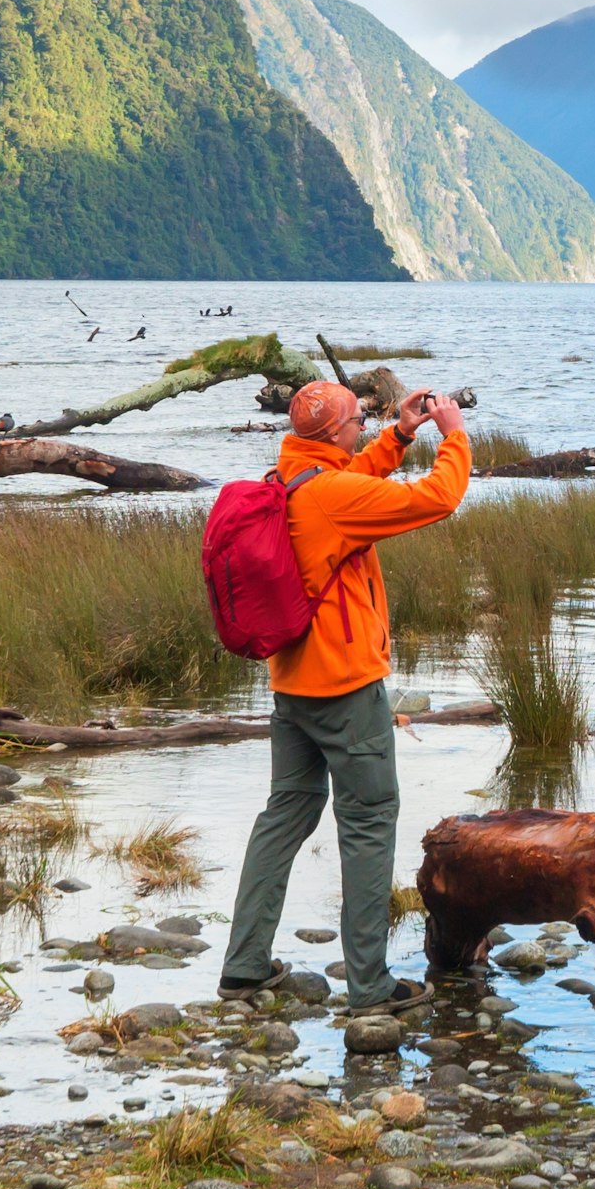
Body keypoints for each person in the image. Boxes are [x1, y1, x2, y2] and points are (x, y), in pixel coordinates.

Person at [219, 375, 472, 1009]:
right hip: (345, 689)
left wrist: (402, 432)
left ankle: (244, 966)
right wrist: (454, 437)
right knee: (367, 825)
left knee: (284, 816)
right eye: (359, 418)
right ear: (332, 431)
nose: (365, 424)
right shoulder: (332, 496)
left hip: (291, 686)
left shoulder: (292, 478)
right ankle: (370, 985)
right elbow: (440, 499)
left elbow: (353, 476)